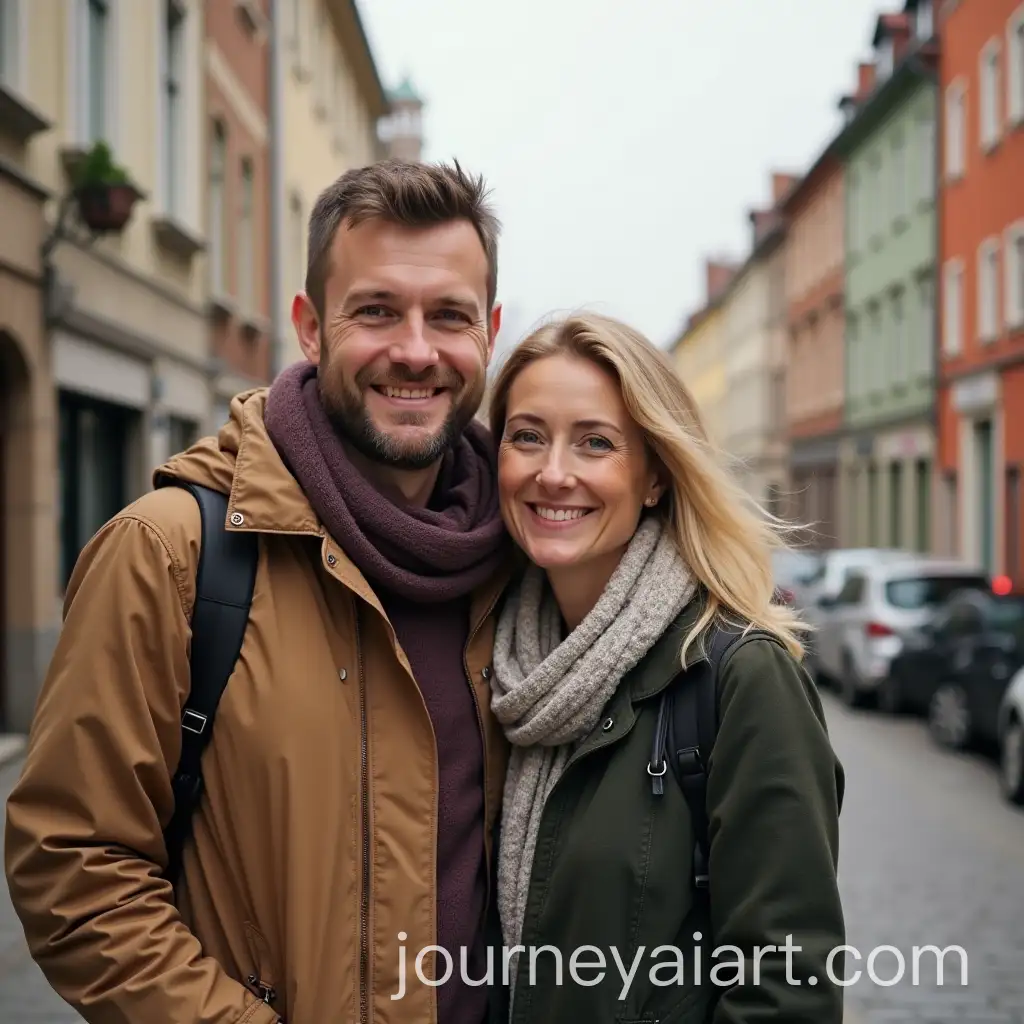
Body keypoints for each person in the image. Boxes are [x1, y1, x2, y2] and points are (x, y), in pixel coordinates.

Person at [4, 160, 516, 1024]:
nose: (417, 350)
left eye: (450, 317)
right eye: (378, 310)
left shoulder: (521, 563)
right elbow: (74, 866)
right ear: (310, 327)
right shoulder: (170, 554)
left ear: (490, 332)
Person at [484, 312, 846, 1023]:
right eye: (527, 435)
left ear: (653, 477)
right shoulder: (499, 667)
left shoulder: (742, 676)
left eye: (595, 443)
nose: (553, 473)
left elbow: (785, 996)